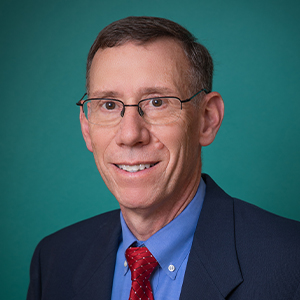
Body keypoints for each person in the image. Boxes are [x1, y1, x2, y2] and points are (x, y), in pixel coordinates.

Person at [27, 16, 300, 300]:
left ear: (207, 119)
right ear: (86, 128)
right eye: (108, 105)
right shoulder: (54, 260)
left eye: (157, 102)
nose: (130, 134)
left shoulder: (291, 263)